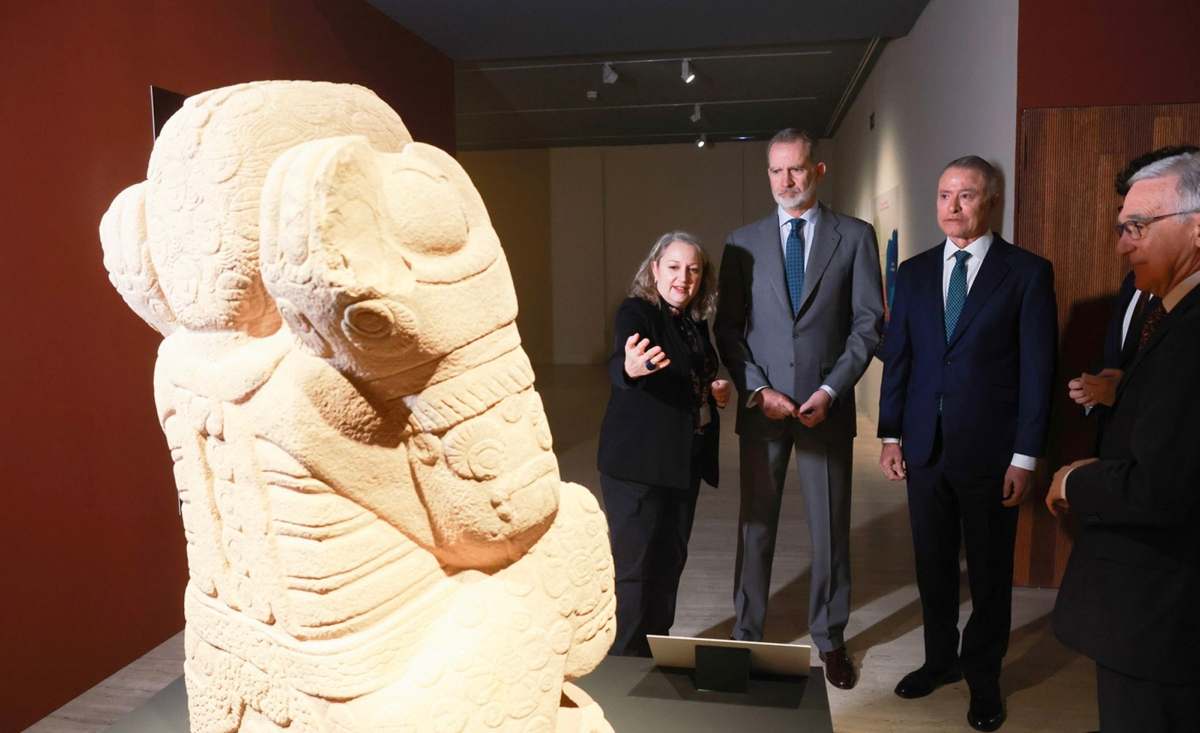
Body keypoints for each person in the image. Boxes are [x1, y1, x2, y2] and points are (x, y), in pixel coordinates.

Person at [877, 155, 1057, 731]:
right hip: (925, 449)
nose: (951, 207)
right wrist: (889, 433)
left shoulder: (1027, 273)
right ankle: (939, 663)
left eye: (966, 196)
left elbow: (1038, 371)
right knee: (932, 567)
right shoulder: (915, 272)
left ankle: (983, 680)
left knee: (988, 572)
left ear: (992, 201)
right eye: (943, 195)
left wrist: (1025, 456)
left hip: (990, 455)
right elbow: (900, 359)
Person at [715, 128, 883, 690]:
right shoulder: (742, 242)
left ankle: (830, 638)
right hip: (764, 410)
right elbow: (729, 330)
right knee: (755, 527)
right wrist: (760, 391)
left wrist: (832, 390)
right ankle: (747, 633)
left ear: (818, 171)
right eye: (776, 171)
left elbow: (867, 325)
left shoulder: (855, 237)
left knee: (830, 529)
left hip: (824, 408)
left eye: (796, 169)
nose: (785, 181)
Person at [1048, 150, 1200, 732]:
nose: (1122, 244)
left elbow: (1161, 487)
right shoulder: (1168, 314)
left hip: (1163, 617)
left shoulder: (1190, 334)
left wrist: (1074, 478)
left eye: (1137, 227)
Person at [597, 231, 732, 657]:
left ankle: (656, 649)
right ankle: (624, 662)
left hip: (681, 462)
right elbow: (624, 358)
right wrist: (629, 368)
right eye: (673, 267)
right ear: (654, 269)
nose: (683, 278)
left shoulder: (694, 320)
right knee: (635, 569)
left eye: (693, 270)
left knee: (670, 561)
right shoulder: (636, 312)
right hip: (637, 464)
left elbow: (692, 379)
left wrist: (715, 392)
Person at [1068, 146, 1199, 432]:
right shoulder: (1132, 283)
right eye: (1125, 222)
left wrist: (1119, 393)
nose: (1123, 244)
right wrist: (1100, 390)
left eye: (1139, 224)